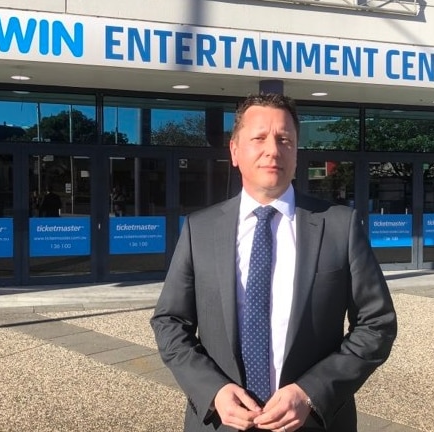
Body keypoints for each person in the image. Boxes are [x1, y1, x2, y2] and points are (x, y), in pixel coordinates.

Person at [151, 93, 397, 432]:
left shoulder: (340, 226)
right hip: (220, 422)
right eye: (259, 138)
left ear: (296, 153)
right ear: (235, 151)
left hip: (314, 422)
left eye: (285, 140)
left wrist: (312, 392)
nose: (273, 149)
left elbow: (377, 323)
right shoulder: (200, 229)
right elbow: (169, 321)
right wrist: (213, 391)